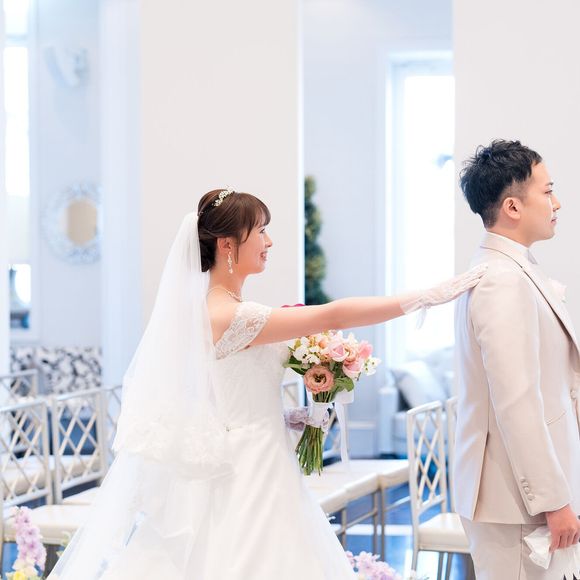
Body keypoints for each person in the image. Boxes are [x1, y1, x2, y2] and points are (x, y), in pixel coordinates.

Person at [49, 188, 485, 579]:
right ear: (227, 245)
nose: (269, 241)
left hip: (263, 451)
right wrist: (426, 297)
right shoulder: (231, 314)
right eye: (260, 230)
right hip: (248, 467)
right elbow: (333, 314)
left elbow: (222, 392)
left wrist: (289, 415)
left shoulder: (223, 308)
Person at [455, 140, 580, 579]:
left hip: (523, 497)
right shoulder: (502, 280)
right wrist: (552, 500)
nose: (556, 203)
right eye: (548, 191)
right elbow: (516, 403)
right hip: (514, 503)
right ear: (512, 206)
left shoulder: (514, 268)